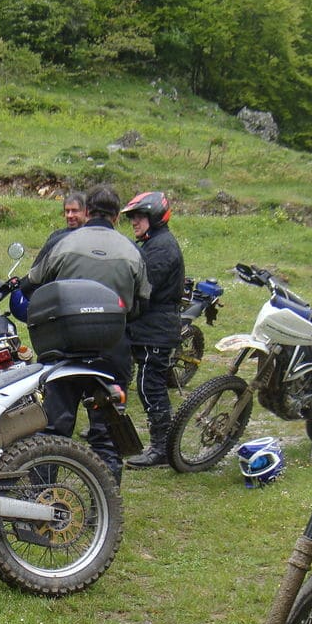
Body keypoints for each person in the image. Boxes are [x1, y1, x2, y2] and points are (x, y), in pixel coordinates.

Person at [20, 183, 149, 483]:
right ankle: (106, 506)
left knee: (53, 429)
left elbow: (32, 284)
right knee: (107, 435)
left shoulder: (62, 245)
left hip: (64, 349)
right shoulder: (132, 252)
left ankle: (42, 499)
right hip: (111, 351)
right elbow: (142, 303)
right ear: (117, 217)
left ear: (88, 212)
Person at [121, 191, 185, 468]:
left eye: (140, 216)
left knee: (151, 387)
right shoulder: (153, 243)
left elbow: (143, 287)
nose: (134, 222)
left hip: (156, 327)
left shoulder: (161, 247)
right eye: (133, 217)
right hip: (149, 325)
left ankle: (161, 448)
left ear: (156, 216)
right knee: (146, 383)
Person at [32, 190, 88, 268]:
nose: (70, 215)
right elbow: (37, 268)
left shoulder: (92, 237)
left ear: (86, 212)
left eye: (75, 211)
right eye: (67, 211)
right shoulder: (56, 237)